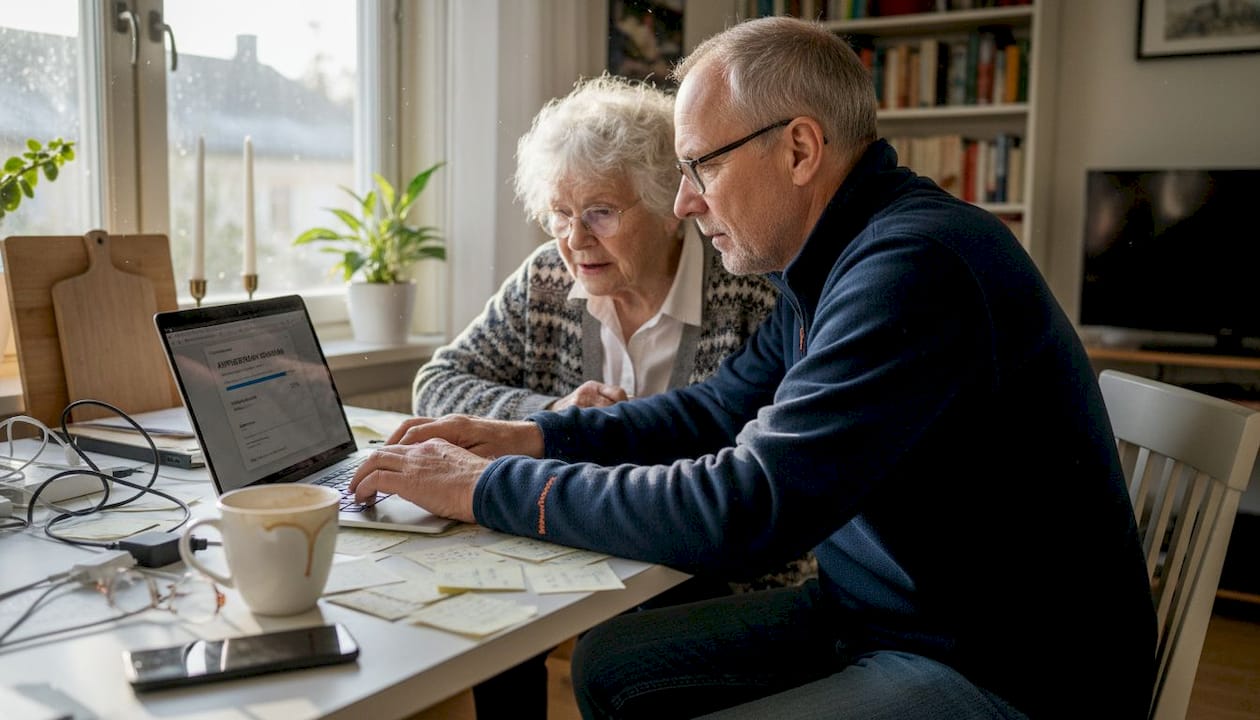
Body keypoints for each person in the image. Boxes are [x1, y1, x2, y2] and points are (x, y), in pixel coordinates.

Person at [351, 17, 1156, 719]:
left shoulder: (912, 268)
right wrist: (530, 437)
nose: (684, 203)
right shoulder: (832, 262)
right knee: (612, 665)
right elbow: (712, 411)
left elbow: (743, 505)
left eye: (701, 166)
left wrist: (479, 487)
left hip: (1006, 671)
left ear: (800, 149)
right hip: (883, 612)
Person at [413, 74, 809, 719]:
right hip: (563, 531)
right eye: (560, 215)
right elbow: (438, 382)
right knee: (492, 605)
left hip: (699, 557)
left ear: (668, 205)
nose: (573, 239)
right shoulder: (546, 277)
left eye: (599, 212)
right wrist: (547, 417)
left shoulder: (749, 292)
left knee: (622, 650)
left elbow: (746, 469)